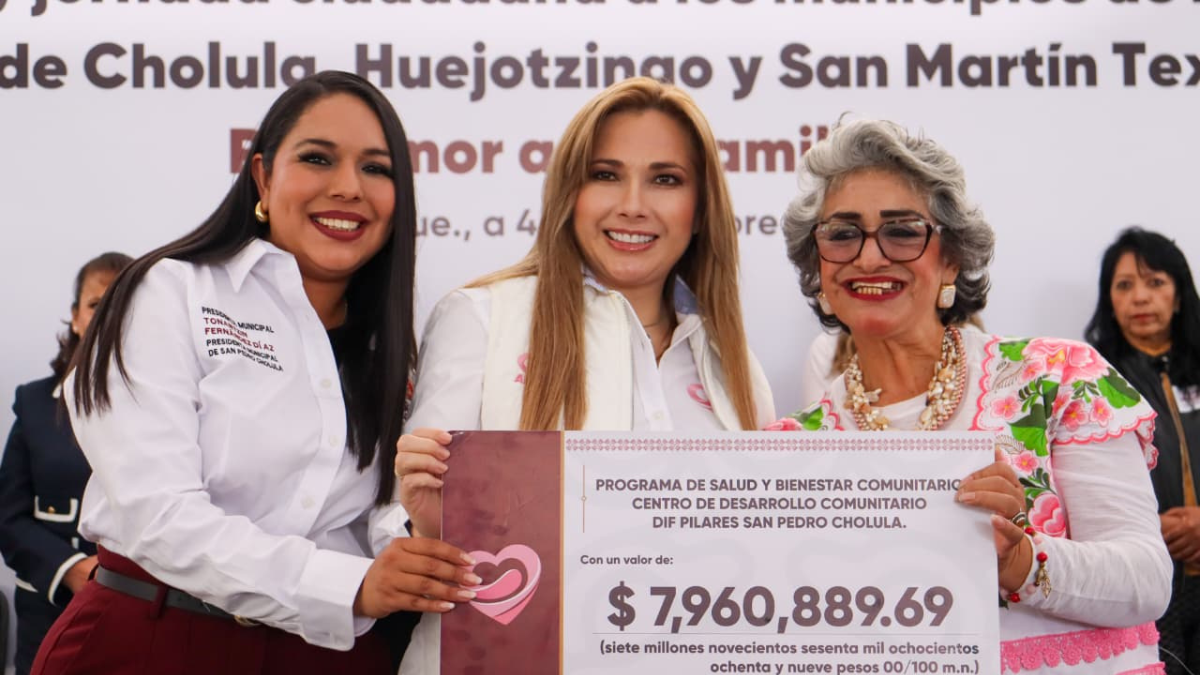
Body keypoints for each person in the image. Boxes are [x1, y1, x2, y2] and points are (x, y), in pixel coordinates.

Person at [30, 71, 474, 675]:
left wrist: (417, 534)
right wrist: (347, 586)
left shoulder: (392, 348)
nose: (349, 187)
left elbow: (371, 524)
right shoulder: (168, 292)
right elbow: (157, 514)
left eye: (376, 168)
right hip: (152, 641)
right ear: (263, 177)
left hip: (330, 657)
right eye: (318, 158)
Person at [388, 76, 776, 673]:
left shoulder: (735, 366)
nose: (633, 204)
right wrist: (430, 522)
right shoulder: (483, 318)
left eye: (665, 179)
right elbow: (409, 538)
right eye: (605, 174)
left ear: (700, 210)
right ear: (569, 192)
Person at [773, 119, 1171, 674]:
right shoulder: (789, 450)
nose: (868, 258)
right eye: (841, 234)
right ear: (817, 267)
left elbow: (1147, 581)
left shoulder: (1056, 377)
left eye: (902, 231)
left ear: (952, 259)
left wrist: (1021, 560)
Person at [0, 252, 131, 675]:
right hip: (48, 610)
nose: (107, 316)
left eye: (122, 305)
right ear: (75, 317)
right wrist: (72, 569)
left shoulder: (174, 408)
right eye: (96, 305)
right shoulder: (34, 403)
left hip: (135, 613)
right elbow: (8, 518)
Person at [1086, 227, 1200, 675]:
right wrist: (1148, 528)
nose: (1140, 297)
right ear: (1109, 300)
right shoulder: (1089, 381)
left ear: (1179, 295)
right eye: (1124, 285)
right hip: (1142, 580)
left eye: (1155, 282)